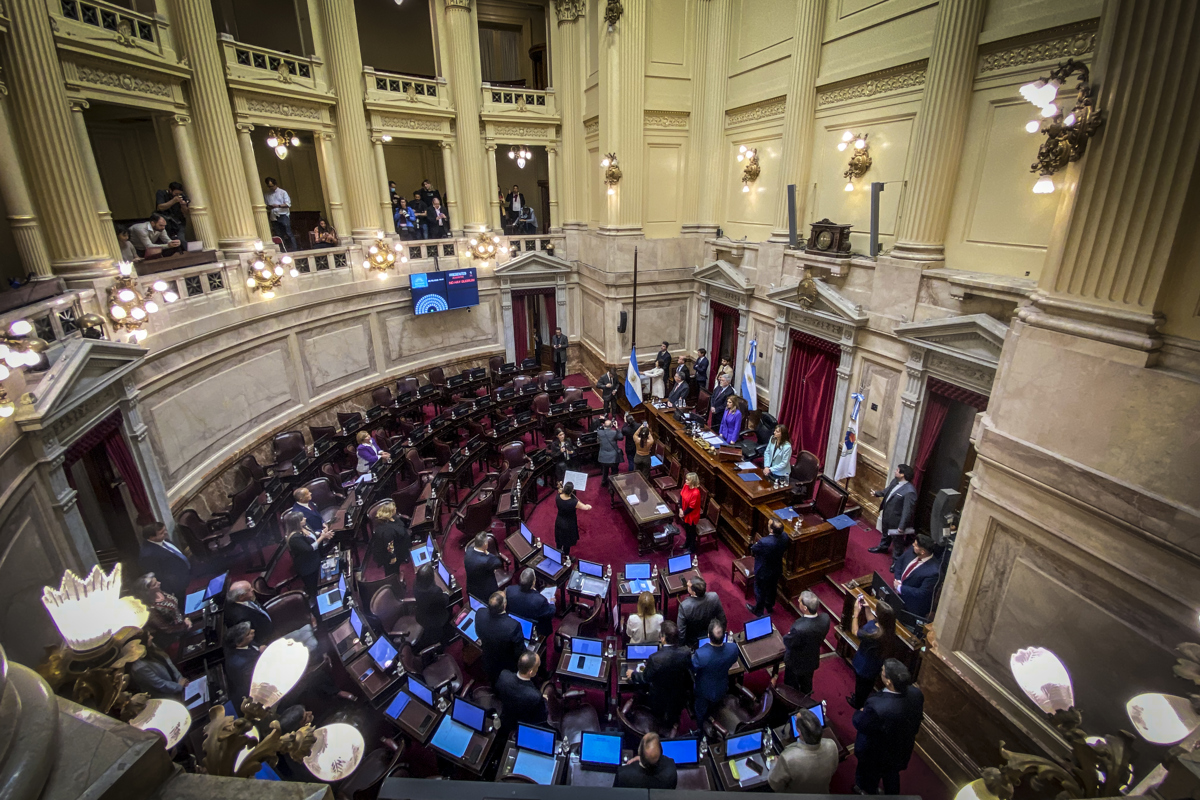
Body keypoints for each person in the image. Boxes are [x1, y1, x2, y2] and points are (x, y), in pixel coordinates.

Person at [853, 659, 925, 795]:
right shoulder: (916, 694)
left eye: (883, 671)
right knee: (892, 775)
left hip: (876, 753)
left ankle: (867, 792)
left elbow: (861, 724)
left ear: (889, 682)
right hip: (900, 748)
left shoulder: (877, 705)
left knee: (870, 778)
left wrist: (860, 713)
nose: (881, 672)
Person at [224, 580, 320, 656]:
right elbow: (248, 640)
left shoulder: (242, 600)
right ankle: (317, 659)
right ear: (241, 597)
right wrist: (264, 646)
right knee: (314, 641)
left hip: (271, 626)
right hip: (270, 641)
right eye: (249, 590)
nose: (252, 590)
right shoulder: (240, 618)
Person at [626, 621, 692, 725]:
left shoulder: (655, 658)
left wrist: (633, 674)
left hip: (658, 699)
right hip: (678, 697)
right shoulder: (686, 653)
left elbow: (645, 678)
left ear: (663, 638)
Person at [769, 707, 838, 793]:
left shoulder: (788, 757)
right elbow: (833, 770)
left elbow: (774, 784)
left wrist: (774, 765)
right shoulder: (831, 744)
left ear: (799, 731)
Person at [848, 597, 898, 708]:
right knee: (868, 686)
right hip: (875, 665)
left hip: (863, 665)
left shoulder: (871, 632)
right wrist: (867, 609)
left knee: (861, 687)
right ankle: (861, 698)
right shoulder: (889, 629)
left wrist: (855, 614)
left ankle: (857, 703)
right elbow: (872, 621)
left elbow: (855, 631)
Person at [869, 464, 917, 571]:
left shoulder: (910, 491)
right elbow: (888, 491)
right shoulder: (895, 481)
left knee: (897, 543)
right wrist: (877, 493)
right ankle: (883, 547)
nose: (895, 471)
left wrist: (902, 526)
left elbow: (907, 511)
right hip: (887, 515)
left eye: (897, 470)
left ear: (902, 474)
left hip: (897, 521)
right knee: (885, 533)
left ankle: (897, 561)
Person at [691, 619, 740, 723]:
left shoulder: (701, 654)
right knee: (715, 708)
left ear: (708, 635)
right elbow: (734, 660)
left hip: (703, 690)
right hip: (721, 687)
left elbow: (693, 667)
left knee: (701, 712)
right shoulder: (733, 648)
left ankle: (701, 728)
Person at [782, 591, 830, 694]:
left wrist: (789, 634)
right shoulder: (825, 619)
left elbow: (788, 641)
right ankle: (806, 699)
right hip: (811, 658)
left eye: (799, 601)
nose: (798, 601)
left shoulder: (799, 628)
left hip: (796, 663)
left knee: (791, 687)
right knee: (807, 683)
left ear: (805, 608)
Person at [475, 591, 526, 684]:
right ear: (504, 605)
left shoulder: (480, 613)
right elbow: (519, 652)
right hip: (507, 666)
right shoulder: (513, 626)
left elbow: (478, 632)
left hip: (488, 659)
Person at [283, 509, 333, 601]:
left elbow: (313, 535)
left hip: (316, 559)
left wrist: (323, 534)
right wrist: (322, 537)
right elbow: (309, 549)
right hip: (308, 567)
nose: (305, 519)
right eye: (302, 519)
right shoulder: (294, 538)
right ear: (297, 523)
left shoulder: (304, 527)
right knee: (314, 591)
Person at [138, 521, 191, 605]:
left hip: (187, 578)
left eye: (164, 530)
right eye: (162, 533)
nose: (166, 533)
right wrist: (171, 592)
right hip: (178, 588)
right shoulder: (148, 555)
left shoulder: (165, 541)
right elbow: (158, 576)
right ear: (151, 537)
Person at [495, 651, 548, 735]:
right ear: (531, 672)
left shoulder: (504, 675)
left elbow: (498, 694)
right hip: (525, 725)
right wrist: (544, 700)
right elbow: (541, 717)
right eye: (537, 666)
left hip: (506, 719)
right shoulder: (535, 696)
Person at [130, 573, 191, 644]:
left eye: (157, 581)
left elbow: (175, 608)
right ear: (147, 590)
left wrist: (185, 618)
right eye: (154, 584)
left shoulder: (159, 592)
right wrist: (185, 626)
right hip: (173, 638)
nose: (159, 583)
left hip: (182, 625)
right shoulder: (150, 609)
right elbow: (167, 630)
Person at [129, 632, 189, 699]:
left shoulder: (151, 646)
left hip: (176, 686)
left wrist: (180, 678)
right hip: (165, 697)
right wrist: (178, 686)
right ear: (142, 643)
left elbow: (169, 664)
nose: (152, 637)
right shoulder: (139, 667)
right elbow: (159, 685)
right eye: (149, 636)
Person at [893, 534, 940, 618]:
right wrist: (898, 579)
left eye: (915, 545)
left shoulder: (933, 571)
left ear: (923, 552)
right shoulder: (913, 550)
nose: (913, 545)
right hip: (897, 594)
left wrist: (901, 588)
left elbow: (922, 593)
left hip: (910, 605)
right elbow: (900, 562)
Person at [748, 519, 788, 615]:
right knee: (772, 588)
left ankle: (758, 610)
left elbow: (754, 549)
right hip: (776, 569)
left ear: (771, 530)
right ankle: (769, 606)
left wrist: (752, 545)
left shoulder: (764, 542)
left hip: (763, 571)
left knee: (760, 590)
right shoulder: (785, 537)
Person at [676, 576, 726, 647]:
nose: (687, 585)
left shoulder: (685, 606)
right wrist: (720, 637)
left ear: (693, 592)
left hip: (692, 640)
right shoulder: (714, 597)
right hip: (711, 636)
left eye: (688, 586)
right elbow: (722, 619)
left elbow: (681, 631)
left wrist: (681, 647)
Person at [505, 568, 555, 637]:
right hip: (533, 627)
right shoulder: (540, 600)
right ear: (533, 582)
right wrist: (552, 602)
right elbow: (550, 612)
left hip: (515, 620)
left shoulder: (510, 590)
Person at [413, 563, 452, 649]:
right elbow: (444, 602)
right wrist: (445, 594)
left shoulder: (416, 584)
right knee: (450, 607)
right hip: (435, 619)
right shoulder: (435, 591)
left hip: (421, 614)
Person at [223, 622, 260, 707]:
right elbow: (256, 681)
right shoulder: (242, 665)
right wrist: (262, 654)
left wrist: (259, 648)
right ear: (239, 643)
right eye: (248, 634)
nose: (253, 631)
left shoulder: (242, 643)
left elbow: (253, 645)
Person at [464, 531, 508, 601]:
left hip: (471, 587)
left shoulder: (468, 551)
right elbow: (498, 562)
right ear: (485, 544)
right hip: (485, 590)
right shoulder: (487, 560)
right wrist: (487, 552)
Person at [371, 500, 410, 576]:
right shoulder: (387, 531)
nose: (396, 508)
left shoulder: (392, 518)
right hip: (390, 554)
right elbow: (390, 546)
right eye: (394, 508)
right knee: (392, 571)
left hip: (398, 544)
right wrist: (392, 557)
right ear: (390, 512)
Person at [554, 481, 591, 557]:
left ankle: (558, 554)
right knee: (567, 542)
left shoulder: (558, 497)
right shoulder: (574, 502)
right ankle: (566, 555)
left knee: (559, 539)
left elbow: (560, 491)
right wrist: (588, 505)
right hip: (569, 523)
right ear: (571, 491)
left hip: (559, 521)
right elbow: (586, 508)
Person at [263, 177, 297, 251]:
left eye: (272, 186)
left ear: (275, 184)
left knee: (288, 233)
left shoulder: (282, 192)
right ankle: (283, 249)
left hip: (283, 214)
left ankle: (294, 249)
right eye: (269, 186)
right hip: (273, 215)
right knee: (278, 234)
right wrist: (270, 207)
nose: (271, 188)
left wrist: (278, 205)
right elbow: (265, 205)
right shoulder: (267, 194)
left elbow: (288, 204)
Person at [154, 181, 189, 245]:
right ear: (170, 190)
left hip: (178, 221)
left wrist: (183, 205)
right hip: (166, 222)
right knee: (168, 241)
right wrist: (174, 201)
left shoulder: (183, 196)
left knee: (181, 239)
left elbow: (186, 212)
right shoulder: (161, 193)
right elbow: (160, 207)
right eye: (176, 193)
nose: (178, 195)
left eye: (179, 194)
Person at [677, 472, 702, 552]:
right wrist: (680, 508)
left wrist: (683, 513)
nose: (686, 481)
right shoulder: (686, 486)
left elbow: (692, 507)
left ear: (692, 481)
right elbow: (681, 496)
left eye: (688, 480)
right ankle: (687, 543)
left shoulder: (695, 492)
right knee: (687, 529)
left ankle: (692, 547)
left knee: (692, 532)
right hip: (684, 512)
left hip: (692, 515)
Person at [596, 416, 623, 487]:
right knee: (614, 471)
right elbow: (621, 437)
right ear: (611, 426)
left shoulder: (600, 433)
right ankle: (612, 485)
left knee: (605, 469)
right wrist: (617, 428)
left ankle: (604, 481)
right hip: (613, 458)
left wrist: (603, 420)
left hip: (603, 457)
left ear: (604, 425)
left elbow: (599, 427)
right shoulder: (614, 433)